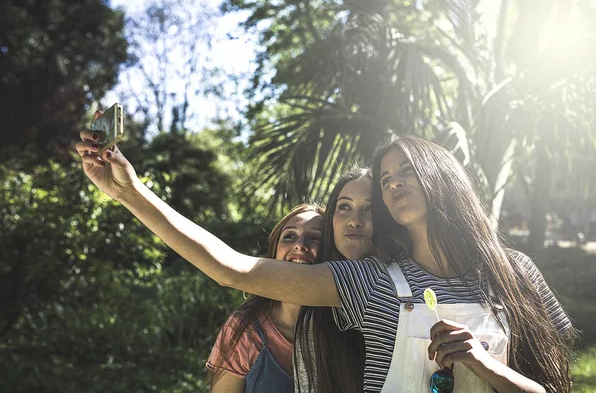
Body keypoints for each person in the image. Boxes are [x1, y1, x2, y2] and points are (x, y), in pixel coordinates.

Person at [76, 128, 574, 392]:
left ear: (442, 175)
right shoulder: (372, 284)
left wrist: (483, 365)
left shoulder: (516, 273)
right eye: (385, 178)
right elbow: (232, 268)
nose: (394, 183)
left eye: (406, 171)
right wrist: (133, 194)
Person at [206, 204, 324, 392]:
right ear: (274, 253)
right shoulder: (244, 329)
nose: (300, 245)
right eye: (289, 236)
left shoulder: (349, 328)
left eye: (316, 238)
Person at [294, 168, 372, 392]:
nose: (355, 221)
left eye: (370, 209)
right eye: (345, 207)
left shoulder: (404, 287)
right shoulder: (313, 314)